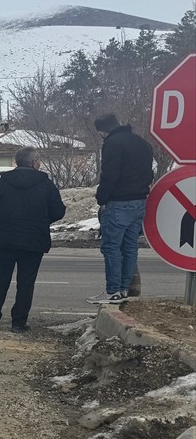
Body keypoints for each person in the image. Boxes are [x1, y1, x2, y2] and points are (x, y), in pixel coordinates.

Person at [0, 148, 66, 332]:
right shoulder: (46, 184)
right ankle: (18, 323)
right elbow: (58, 211)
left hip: (5, 239)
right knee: (26, 284)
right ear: (34, 162)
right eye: (39, 160)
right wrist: (41, 220)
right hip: (34, 240)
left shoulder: (1, 183)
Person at [87, 113, 153, 304]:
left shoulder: (112, 143)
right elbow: (149, 173)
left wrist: (101, 198)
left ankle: (113, 290)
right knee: (130, 247)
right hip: (139, 201)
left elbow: (109, 174)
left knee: (111, 247)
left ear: (103, 132)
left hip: (118, 202)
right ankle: (124, 289)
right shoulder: (142, 143)